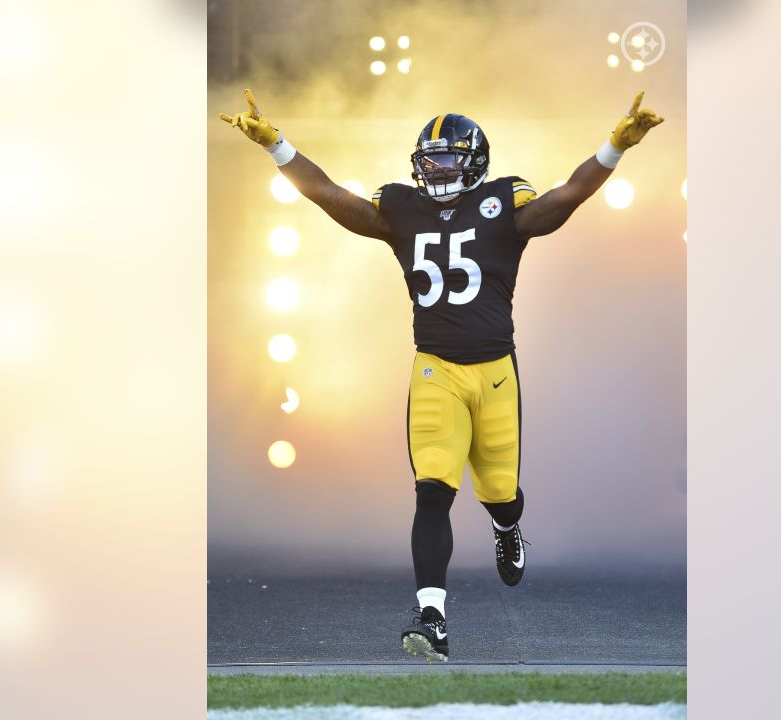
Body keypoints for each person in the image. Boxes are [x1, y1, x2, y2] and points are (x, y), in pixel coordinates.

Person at [220, 89, 662, 661]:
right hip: (435, 370)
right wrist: (277, 146)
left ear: (476, 162)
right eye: (430, 161)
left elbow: (564, 198)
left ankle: (507, 529)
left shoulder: (503, 204)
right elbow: (330, 195)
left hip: (495, 372)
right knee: (432, 492)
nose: (437, 170)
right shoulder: (401, 210)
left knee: (500, 493)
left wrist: (614, 147)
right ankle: (433, 619)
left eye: (450, 159)